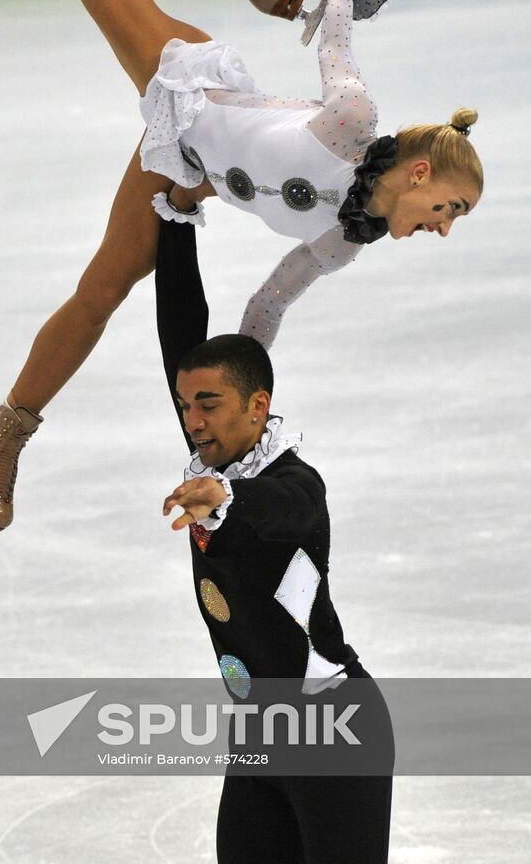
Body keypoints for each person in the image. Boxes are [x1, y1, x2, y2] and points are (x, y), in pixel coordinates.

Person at [0, 0, 484, 537]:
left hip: (185, 168)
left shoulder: (341, 240)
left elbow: (269, 304)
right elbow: (337, 42)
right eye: (450, 209)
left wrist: (241, 418)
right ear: (420, 174)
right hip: (191, 92)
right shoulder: (351, 122)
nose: (444, 228)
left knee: (101, 292)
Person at [156, 216, 393, 864]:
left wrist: (227, 499)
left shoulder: (286, 482)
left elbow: (290, 509)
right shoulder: (213, 456)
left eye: (208, 403)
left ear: (258, 407)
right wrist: (173, 214)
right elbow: (178, 327)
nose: (193, 421)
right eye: (185, 406)